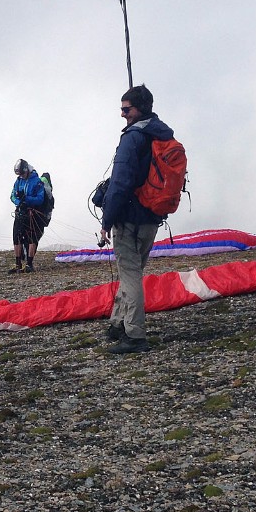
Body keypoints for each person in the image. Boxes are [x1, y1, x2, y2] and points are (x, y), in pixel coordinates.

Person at [96, 84, 174, 354]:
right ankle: (117, 324)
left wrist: (107, 220)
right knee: (132, 272)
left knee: (130, 276)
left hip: (129, 218)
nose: (122, 114)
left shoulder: (132, 137)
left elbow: (120, 183)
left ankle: (135, 336)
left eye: (125, 109)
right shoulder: (161, 133)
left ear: (138, 109)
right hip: (152, 218)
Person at [9, 159, 46, 273]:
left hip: (32, 213)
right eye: (19, 174)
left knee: (31, 238)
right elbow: (12, 195)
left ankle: (29, 264)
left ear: (26, 170)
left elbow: (40, 199)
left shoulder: (37, 181)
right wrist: (18, 201)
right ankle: (18, 264)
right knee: (17, 237)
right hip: (20, 212)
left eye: (22, 173)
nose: (21, 176)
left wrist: (27, 199)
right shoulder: (18, 181)